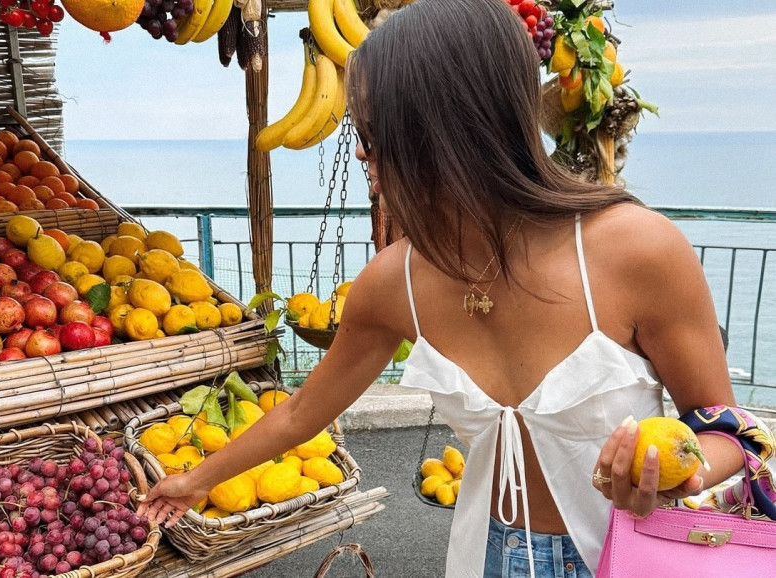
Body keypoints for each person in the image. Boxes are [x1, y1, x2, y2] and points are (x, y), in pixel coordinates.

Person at [138, 0, 749, 575]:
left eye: (376, 134)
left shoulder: (636, 249)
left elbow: (727, 431)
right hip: (484, 554)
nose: (359, 152)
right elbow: (301, 411)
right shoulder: (392, 281)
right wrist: (194, 481)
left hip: (631, 554)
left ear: (449, 128)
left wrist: (678, 475)